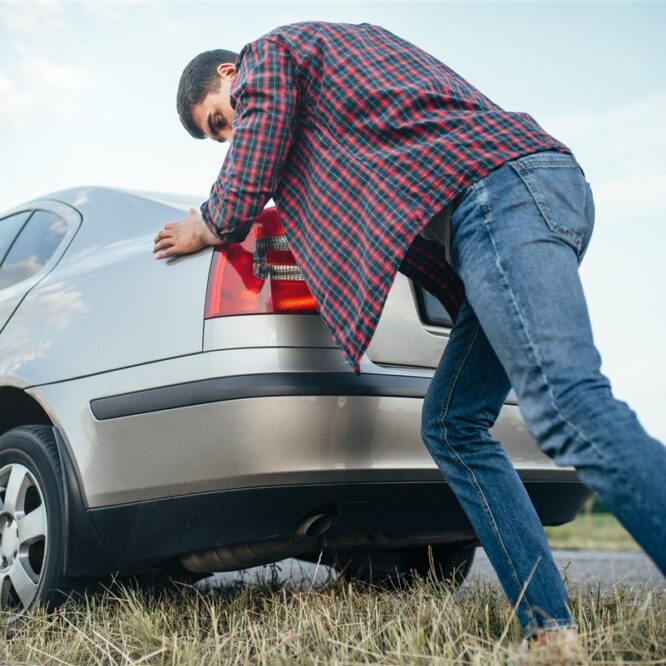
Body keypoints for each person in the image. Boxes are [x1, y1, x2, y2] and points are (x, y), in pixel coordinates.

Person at [153, 20, 666, 649]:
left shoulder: (269, 56)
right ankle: (551, 637)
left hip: (500, 193)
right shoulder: (339, 62)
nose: (231, 136)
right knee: (450, 424)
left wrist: (209, 223)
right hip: (508, 202)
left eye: (219, 122)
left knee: (566, 405)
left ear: (230, 76)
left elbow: (249, 174)